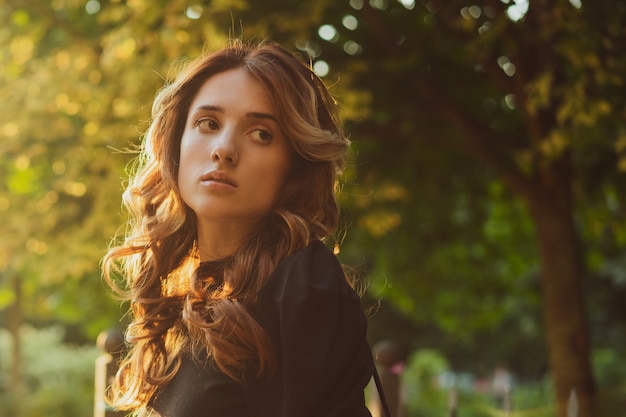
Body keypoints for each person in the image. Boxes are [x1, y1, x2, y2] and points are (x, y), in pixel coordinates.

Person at [102, 40, 376, 417]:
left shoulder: (300, 285)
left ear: (294, 166)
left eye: (261, 133)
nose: (224, 149)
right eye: (208, 123)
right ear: (176, 145)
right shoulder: (192, 301)